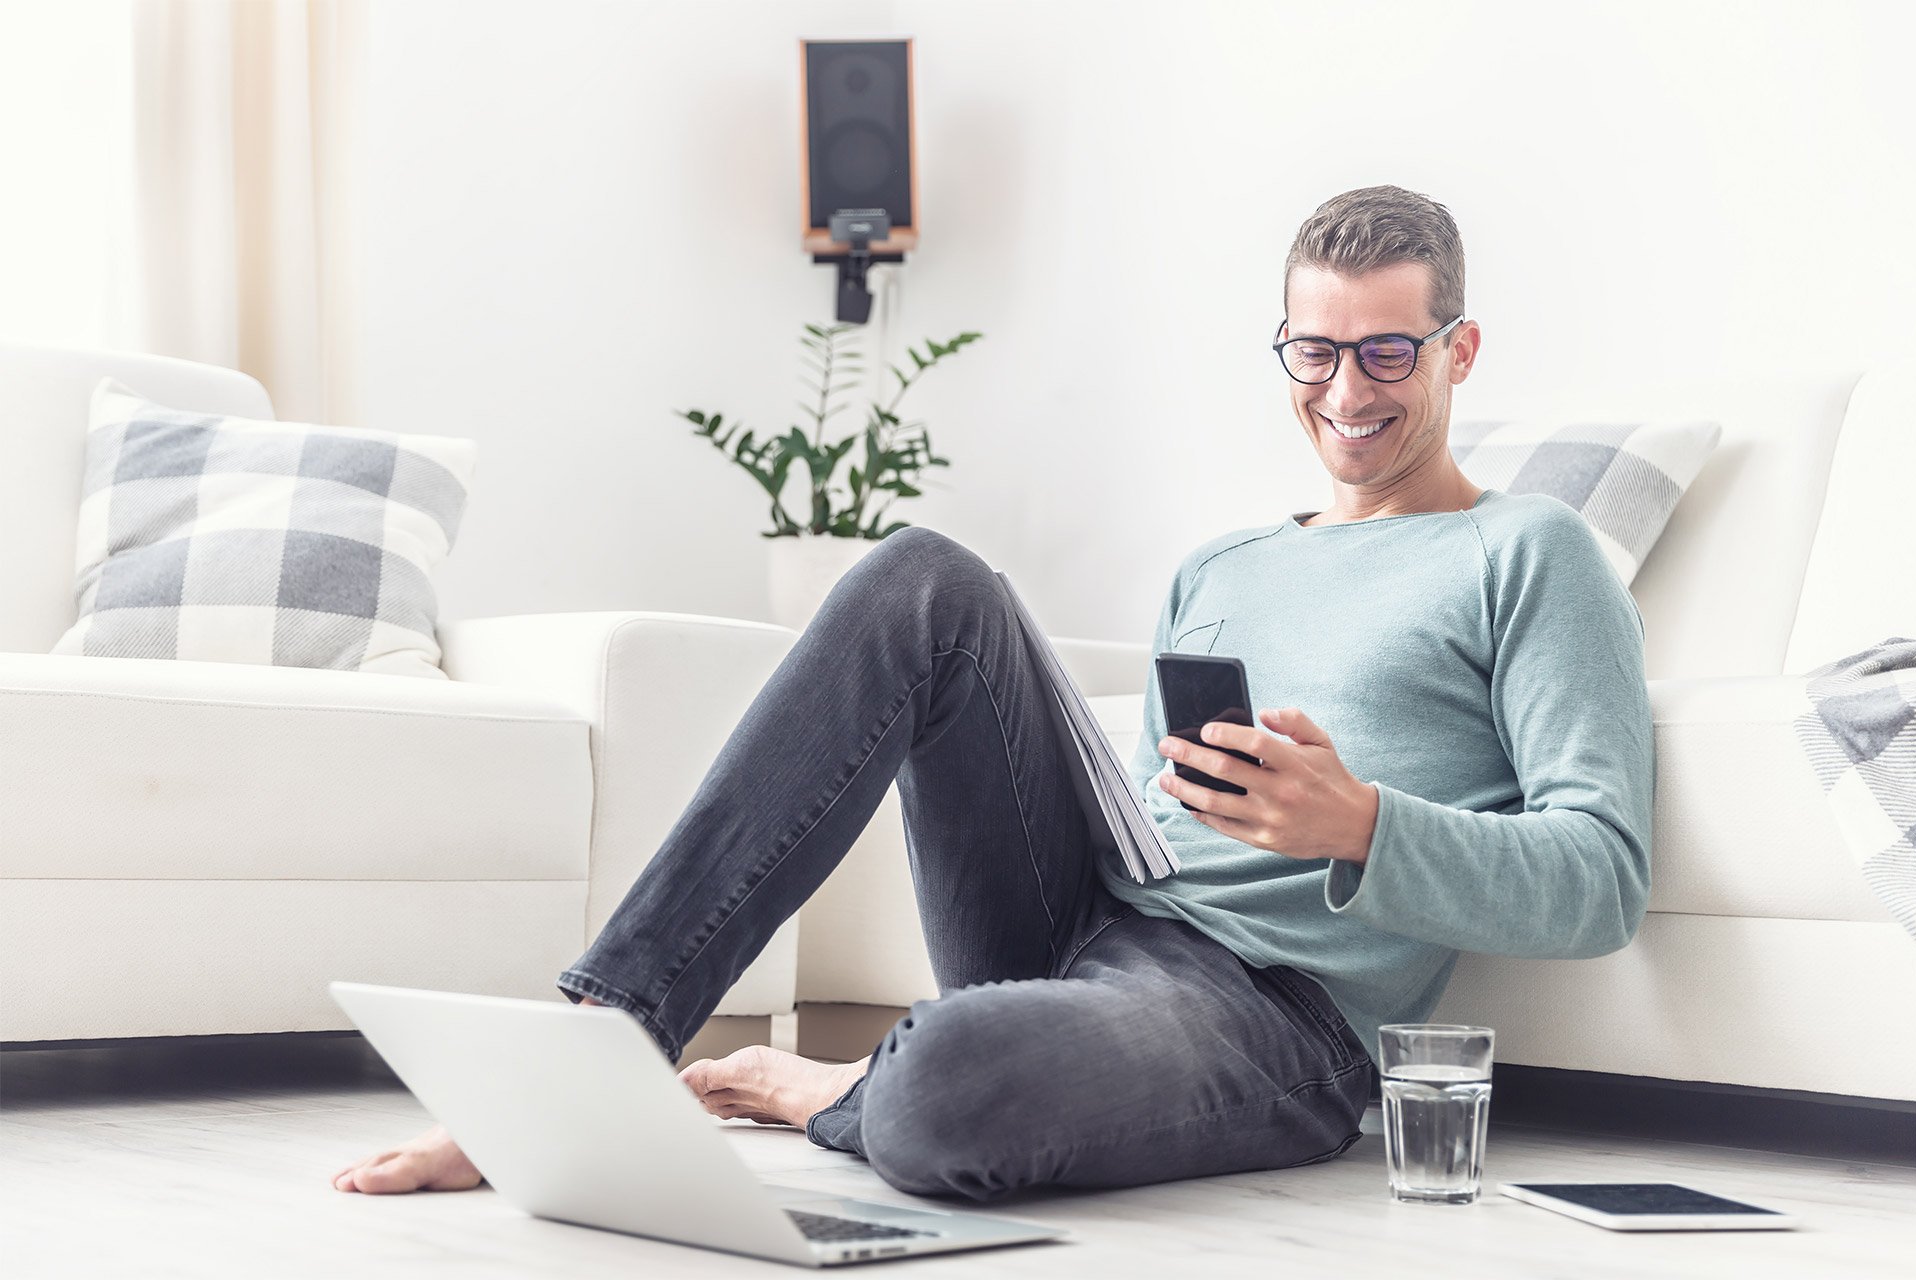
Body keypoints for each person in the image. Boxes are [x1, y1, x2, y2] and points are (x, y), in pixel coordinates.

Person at [332, 185, 1654, 1201]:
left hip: (1270, 1016)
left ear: (1459, 353)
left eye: (1387, 356)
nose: (1346, 393)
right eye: (1316, 354)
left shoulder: (1528, 554)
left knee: (944, 1093)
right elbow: (1155, 809)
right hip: (1091, 928)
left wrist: (1360, 827)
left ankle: (840, 1088)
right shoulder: (1224, 565)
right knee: (922, 578)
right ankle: (586, 1057)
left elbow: (1601, 877)